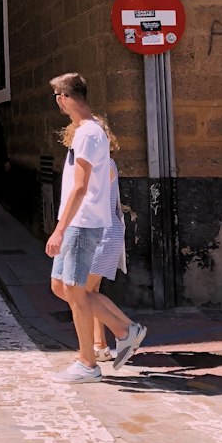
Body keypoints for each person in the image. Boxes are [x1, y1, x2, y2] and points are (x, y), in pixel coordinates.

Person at [47, 72, 147, 383]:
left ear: (63, 99)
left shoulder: (88, 134)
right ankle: (124, 331)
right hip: (79, 222)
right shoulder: (85, 132)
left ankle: (89, 362)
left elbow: (80, 187)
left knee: (78, 293)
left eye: (57, 98)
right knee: (63, 288)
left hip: (82, 223)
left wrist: (60, 228)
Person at [85, 153, 133, 362]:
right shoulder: (107, 161)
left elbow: (89, 198)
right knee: (91, 291)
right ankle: (100, 345)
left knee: (81, 293)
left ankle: (128, 329)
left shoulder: (100, 164)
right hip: (104, 231)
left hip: (101, 233)